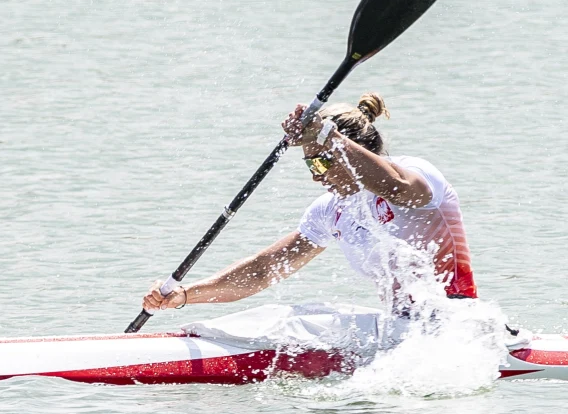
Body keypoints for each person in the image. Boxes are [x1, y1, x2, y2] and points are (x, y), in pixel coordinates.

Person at [143, 93, 475, 316]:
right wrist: (186, 295)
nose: (316, 176)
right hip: (402, 331)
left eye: (320, 163)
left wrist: (328, 135)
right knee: (294, 317)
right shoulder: (331, 210)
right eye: (310, 165)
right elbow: (264, 269)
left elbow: (398, 187)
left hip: (457, 324)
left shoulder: (418, 173)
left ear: (347, 150)